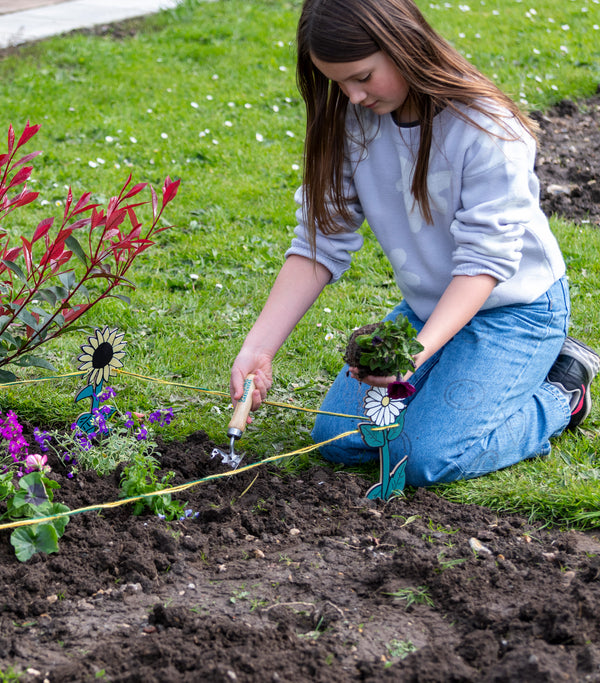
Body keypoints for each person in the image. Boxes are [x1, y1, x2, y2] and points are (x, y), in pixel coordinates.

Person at [230, 0, 599, 486]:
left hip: (514, 308)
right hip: (429, 308)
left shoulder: (486, 128)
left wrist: (413, 356)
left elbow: (483, 265)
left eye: (362, 76)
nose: (352, 95)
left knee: (422, 458)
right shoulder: (352, 122)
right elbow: (321, 240)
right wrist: (259, 346)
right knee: (341, 438)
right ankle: (454, 373)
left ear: (404, 45)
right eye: (337, 82)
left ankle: (562, 390)